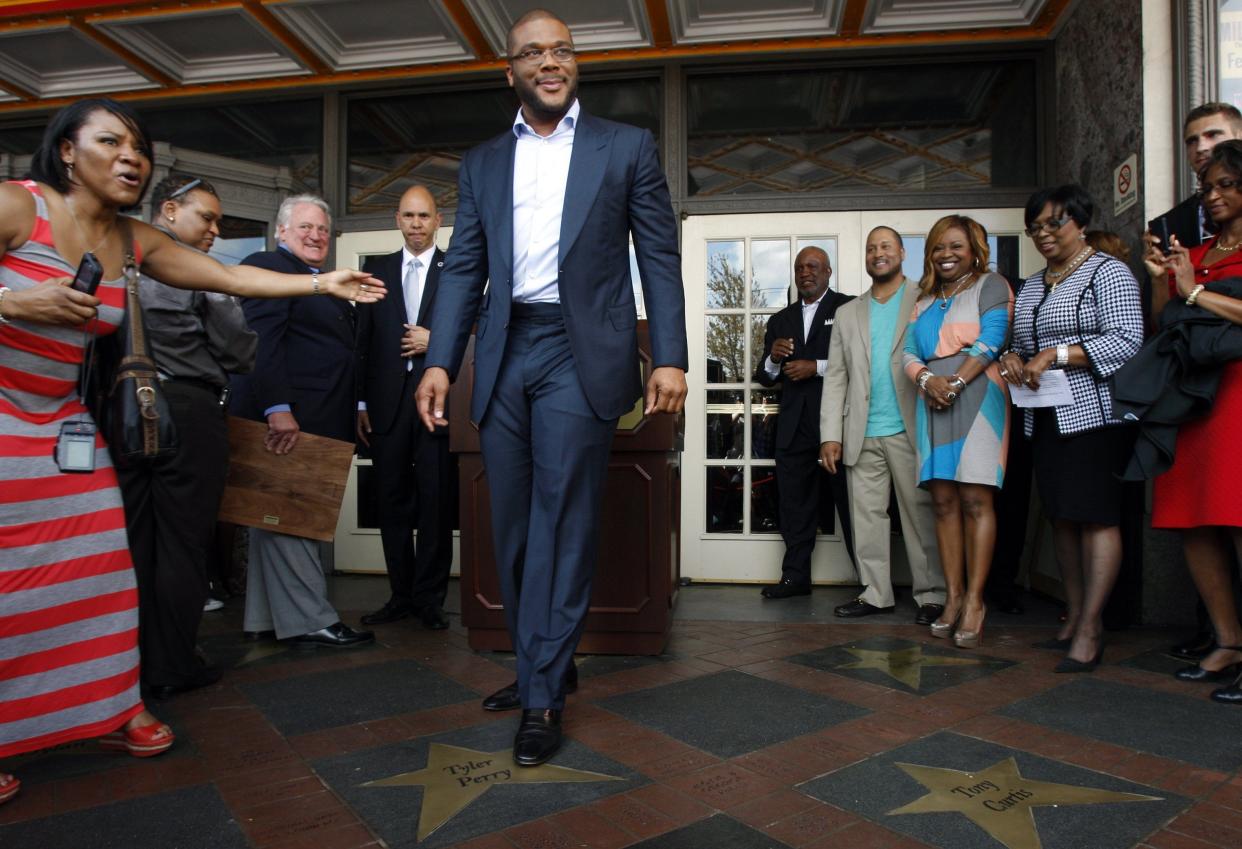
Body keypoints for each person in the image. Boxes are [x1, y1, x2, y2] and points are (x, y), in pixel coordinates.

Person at [0, 98, 381, 805]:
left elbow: (229, 278)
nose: (129, 157)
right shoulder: (20, 208)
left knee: (100, 564)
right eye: (110, 141)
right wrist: (10, 303)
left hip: (59, 422)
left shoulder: (128, 238)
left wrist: (320, 280)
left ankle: (112, 707)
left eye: (138, 146)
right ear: (64, 152)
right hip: (2, 418)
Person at [415, 9, 687, 767]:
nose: (549, 61)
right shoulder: (481, 163)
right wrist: (440, 359)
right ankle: (547, 660)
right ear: (511, 71)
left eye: (561, 49)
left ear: (575, 65)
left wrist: (668, 354)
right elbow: (465, 266)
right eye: (532, 52)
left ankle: (540, 694)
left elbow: (658, 257)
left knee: (563, 516)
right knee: (513, 527)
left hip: (580, 349)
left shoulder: (624, 147)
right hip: (503, 353)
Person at [115, 174, 257, 699]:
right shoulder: (193, 272)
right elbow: (240, 351)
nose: (215, 231)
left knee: (135, 543)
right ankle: (172, 664)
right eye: (208, 217)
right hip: (188, 412)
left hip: (121, 411)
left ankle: (127, 662)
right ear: (169, 211)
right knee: (182, 544)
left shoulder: (117, 264)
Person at [998, 185, 1143, 672]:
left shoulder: (1109, 271)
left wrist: (1058, 354)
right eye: (1035, 227)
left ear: (1080, 222)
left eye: (1054, 223)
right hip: (1046, 417)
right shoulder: (1036, 284)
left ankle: (1092, 627)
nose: (1044, 234)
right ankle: (1075, 612)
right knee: (1062, 517)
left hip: (1097, 417)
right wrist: (1014, 359)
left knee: (1097, 517)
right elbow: (1019, 343)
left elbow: (1127, 339)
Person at [229, 195, 376, 650]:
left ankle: (265, 619)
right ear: (281, 231)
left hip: (319, 416)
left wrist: (357, 406)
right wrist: (277, 407)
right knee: (294, 521)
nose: (315, 236)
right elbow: (262, 342)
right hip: (290, 419)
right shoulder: (268, 266)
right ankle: (312, 619)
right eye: (305, 228)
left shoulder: (319, 279)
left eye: (322, 230)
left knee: (274, 520)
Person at [1146, 140, 1242, 704]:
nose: (1216, 194)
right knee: (1195, 521)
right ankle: (1228, 641)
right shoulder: (1198, 251)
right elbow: (1165, 323)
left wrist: (1197, 291)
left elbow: (1200, 301)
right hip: (1191, 400)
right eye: (1209, 187)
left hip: (1236, 399)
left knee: (1236, 519)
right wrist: (1167, 281)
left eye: (1228, 183)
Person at [820, 227, 945, 623]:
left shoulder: (924, 300)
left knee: (920, 515)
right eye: (872, 248)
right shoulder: (847, 313)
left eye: (886, 246)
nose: (878, 253)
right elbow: (836, 377)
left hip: (912, 427)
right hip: (861, 431)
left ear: (902, 253)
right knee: (868, 519)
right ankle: (875, 592)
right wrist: (830, 436)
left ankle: (932, 595)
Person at [901, 215, 1011, 648]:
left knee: (975, 498)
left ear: (974, 249)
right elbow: (909, 351)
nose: (946, 254)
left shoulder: (992, 284)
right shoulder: (925, 299)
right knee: (943, 500)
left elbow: (993, 339)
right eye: (938, 247)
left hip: (979, 396)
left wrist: (957, 382)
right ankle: (952, 596)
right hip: (932, 399)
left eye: (956, 246)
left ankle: (976, 602)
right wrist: (929, 381)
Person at [356, 185, 455, 631]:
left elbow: (480, 330)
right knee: (391, 501)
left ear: (438, 221)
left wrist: (437, 342)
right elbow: (362, 343)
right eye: (409, 216)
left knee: (435, 502)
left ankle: (430, 599)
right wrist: (360, 401)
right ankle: (400, 594)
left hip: (437, 403)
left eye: (425, 216)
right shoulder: (373, 271)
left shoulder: (458, 270)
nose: (417, 224)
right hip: (386, 406)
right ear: (398, 219)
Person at [754, 246, 854, 600]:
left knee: (854, 504)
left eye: (813, 266)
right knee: (793, 506)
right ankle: (795, 578)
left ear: (828, 271)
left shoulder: (849, 308)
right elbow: (764, 377)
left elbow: (862, 363)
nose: (805, 272)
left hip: (839, 426)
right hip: (794, 426)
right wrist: (772, 358)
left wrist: (817, 367)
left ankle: (873, 583)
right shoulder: (780, 320)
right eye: (799, 267)